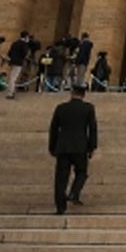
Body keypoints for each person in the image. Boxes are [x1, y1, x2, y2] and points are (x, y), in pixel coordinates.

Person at [47, 84, 98, 215]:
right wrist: (92, 146)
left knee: (61, 178)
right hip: (80, 146)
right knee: (81, 172)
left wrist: (52, 147)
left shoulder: (61, 108)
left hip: (63, 147)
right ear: (83, 95)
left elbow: (53, 129)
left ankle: (60, 207)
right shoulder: (88, 108)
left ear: (72, 93)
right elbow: (92, 128)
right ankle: (74, 192)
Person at [6, 31, 31, 99]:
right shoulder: (24, 44)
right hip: (18, 62)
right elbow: (24, 53)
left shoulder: (15, 43)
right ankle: (10, 92)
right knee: (13, 78)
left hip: (12, 61)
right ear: (26, 37)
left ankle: (11, 91)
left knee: (12, 77)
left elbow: (9, 53)